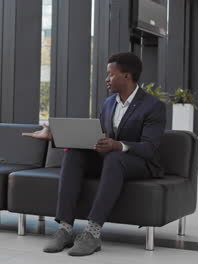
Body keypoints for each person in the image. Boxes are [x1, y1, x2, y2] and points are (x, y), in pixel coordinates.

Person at [23, 52, 166, 256]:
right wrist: (54, 135)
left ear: (127, 76)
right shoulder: (108, 104)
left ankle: (92, 233)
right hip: (110, 159)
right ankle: (64, 228)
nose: (106, 79)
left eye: (110, 74)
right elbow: (99, 136)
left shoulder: (153, 106)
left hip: (140, 162)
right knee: (73, 154)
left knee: (115, 158)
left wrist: (117, 145)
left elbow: (149, 147)